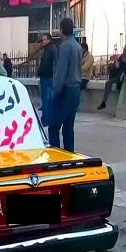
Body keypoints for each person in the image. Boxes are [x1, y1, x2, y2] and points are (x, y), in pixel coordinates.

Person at [50, 18, 83, 152]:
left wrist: (55, 91)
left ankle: (56, 156)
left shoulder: (65, 46)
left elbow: (61, 72)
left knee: (54, 127)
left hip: (65, 90)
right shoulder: (78, 46)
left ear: (62, 30)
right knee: (68, 128)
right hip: (76, 90)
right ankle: (70, 155)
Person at [97, 44, 126, 110]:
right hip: (117, 75)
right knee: (109, 73)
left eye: (125, 49)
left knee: (109, 83)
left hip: (122, 78)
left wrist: (120, 65)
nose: (123, 51)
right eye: (124, 49)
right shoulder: (121, 57)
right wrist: (114, 65)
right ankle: (103, 102)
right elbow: (118, 64)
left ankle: (104, 102)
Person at [37, 34, 57, 127]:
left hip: (46, 77)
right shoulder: (53, 49)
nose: (43, 41)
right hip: (51, 77)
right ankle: (50, 119)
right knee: (50, 100)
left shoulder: (48, 50)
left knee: (46, 100)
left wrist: (39, 72)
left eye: (44, 39)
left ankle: (45, 120)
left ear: (49, 40)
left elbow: (44, 64)